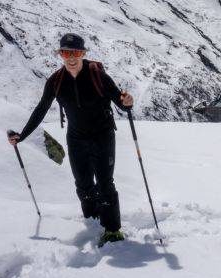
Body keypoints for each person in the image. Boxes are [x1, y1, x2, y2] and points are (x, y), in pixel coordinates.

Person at [9, 33, 134, 246]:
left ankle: (112, 230)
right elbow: (41, 109)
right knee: (83, 185)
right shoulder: (56, 81)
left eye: (75, 52)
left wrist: (127, 102)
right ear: (61, 54)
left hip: (103, 136)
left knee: (105, 184)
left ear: (83, 53)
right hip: (76, 139)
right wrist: (22, 135)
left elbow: (120, 102)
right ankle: (94, 219)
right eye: (66, 53)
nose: (71, 57)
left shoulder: (98, 76)